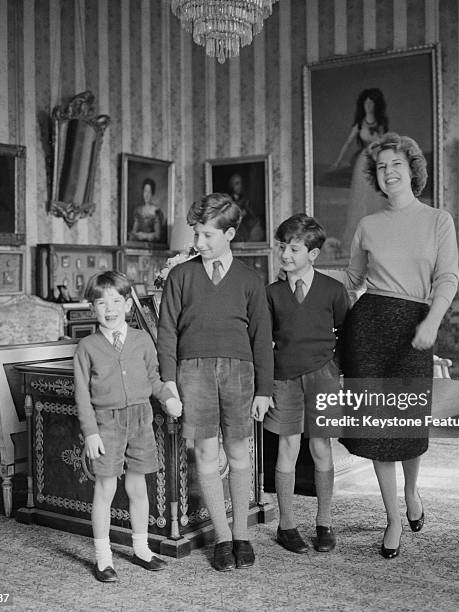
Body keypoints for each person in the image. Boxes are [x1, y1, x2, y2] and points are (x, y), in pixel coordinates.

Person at [341, 133, 459, 559]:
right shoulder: (368, 226)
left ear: (413, 170)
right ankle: (392, 515)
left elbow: (447, 278)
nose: (388, 173)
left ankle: (411, 492)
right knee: (376, 429)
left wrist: (432, 321)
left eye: (396, 165)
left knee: (406, 424)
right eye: (381, 167)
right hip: (369, 327)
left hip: (415, 326)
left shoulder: (437, 220)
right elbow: (352, 282)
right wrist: (306, 280)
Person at [157, 193, 272, 572]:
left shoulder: (250, 280)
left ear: (230, 234)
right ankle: (223, 538)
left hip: (240, 373)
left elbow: (261, 338)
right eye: (196, 234)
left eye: (207, 235)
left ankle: (242, 534)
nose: (199, 243)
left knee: (239, 454)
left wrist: (264, 389)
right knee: (206, 455)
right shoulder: (181, 275)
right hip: (193, 372)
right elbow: (167, 333)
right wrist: (168, 382)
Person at [74, 271, 183, 583]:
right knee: (105, 488)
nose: (109, 308)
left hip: (141, 419)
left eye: (116, 301)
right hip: (106, 423)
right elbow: (82, 395)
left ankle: (141, 548)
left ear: (127, 305)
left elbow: (153, 379)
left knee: (138, 487)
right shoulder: (87, 347)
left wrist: (168, 398)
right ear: (92, 308)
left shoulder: (142, 340)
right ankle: (104, 558)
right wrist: (91, 432)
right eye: (101, 302)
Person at [264, 213, 349, 555]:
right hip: (284, 378)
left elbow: (346, 334)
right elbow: (262, 341)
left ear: (312, 254)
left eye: (294, 249)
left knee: (320, 448)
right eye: (282, 246)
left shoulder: (333, 290)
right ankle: (286, 525)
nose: (285, 254)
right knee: (287, 447)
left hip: (323, 378)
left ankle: (324, 522)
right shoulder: (270, 294)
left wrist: (334, 370)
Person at [329, 88, 389, 251]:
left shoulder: (381, 124)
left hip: (376, 161)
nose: (368, 106)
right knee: (361, 198)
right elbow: (347, 144)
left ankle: (378, 241)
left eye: (372, 103)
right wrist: (337, 162)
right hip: (363, 162)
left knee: (376, 197)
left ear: (376, 105)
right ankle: (359, 242)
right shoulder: (359, 124)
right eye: (366, 102)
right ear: (363, 104)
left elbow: (384, 144)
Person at [227, 173, 265, 243]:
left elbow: (251, 213)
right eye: (237, 183)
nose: (240, 186)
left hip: (245, 225)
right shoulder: (228, 200)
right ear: (232, 185)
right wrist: (240, 214)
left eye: (240, 183)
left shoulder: (245, 199)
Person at [129, 178, 166, 243]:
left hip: (153, 246)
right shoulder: (138, 210)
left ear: (152, 193)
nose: (147, 195)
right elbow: (134, 231)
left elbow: (158, 235)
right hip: (138, 245)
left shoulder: (156, 211)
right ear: (143, 192)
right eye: (145, 191)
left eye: (149, 192)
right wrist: (134, 234)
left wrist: (144, 235)